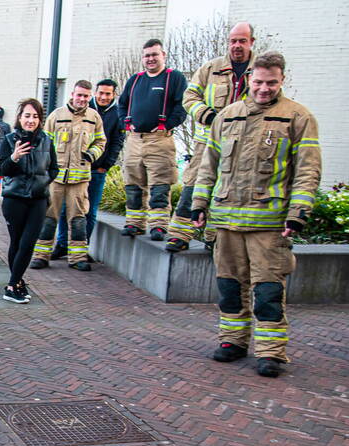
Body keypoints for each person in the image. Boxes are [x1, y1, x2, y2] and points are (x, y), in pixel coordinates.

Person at [191, 52, 320, 378]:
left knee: (267, 291)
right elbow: (209, 166)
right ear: (249, 78)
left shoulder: (298, 118)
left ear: (282, 80)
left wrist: (298, 213)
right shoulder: (227, 116)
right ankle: (232, 341)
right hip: (226, 221)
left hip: (268, 222)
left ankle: (271, 352)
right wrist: (199, 204)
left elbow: (307, 171)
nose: (264, 88)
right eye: (259, 81)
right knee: (230, 288)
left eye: (271, 82)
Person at [168, 22, 255, 252]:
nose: (237, 45)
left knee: (225, 190)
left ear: (251, 42)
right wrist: (205, 114)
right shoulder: (211, 68)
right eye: (233, 41)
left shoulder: (260, 72)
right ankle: (179, 234)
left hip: (241, 145)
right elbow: (189, 96)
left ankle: (213, 237)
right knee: (192, 186)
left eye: (242, 41)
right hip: (206, 142)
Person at [30, 80, 105, 272]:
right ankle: (41, 256)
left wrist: (92, 155)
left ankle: (77, 258)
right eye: (79, 95)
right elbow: (43, 144)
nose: (82, 99)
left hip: (80, 180)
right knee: (48, 217)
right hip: (55, 178)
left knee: (78, 219)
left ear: (90, 97)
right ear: (72, 94)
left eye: (86, 96)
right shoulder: (56, 116)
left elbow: (100, 142)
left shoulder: (94, 117)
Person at [117, 39, 187, 240]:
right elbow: (122, 105)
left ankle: (158, 225)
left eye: (155, 54)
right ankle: (134, 223)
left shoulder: (173, 78)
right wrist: (126, 123)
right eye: (147, 55)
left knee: (159, 186)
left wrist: (168, 124)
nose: (151, 59)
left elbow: (182, 105)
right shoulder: (135, 80)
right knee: (133, 185)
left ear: (163, 55)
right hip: (134, 140)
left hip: (159, 140)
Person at [53, 78, 124, 258]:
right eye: (101, 93)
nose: (103, 97)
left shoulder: (116, 114)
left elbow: (115, 142)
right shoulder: (82, 110)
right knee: (63, 210)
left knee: (89, 212)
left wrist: (105, 165)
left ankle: (81, 248)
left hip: (96, 170)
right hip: (70, 171)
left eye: (108, 94)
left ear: (113, 95)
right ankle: (62, 244)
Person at [0, 99, 58, 304]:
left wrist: (43, 182)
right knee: (17, 242)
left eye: (35, 116)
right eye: (27, 115)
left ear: (40, 119)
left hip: (38, 199)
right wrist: (14, 157)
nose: (31, 120)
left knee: (28, 242)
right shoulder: (8, 139)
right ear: (20, 117)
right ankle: (16, 283)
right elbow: (3, 171)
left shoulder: (46, 140)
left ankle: (12, 284)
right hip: (14, 199)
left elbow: (54, 168)